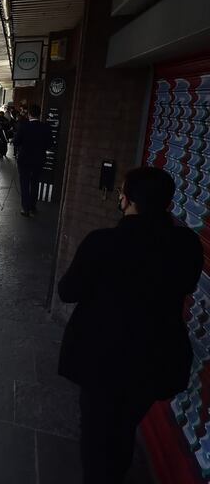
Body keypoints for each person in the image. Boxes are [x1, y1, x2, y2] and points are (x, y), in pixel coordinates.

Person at [58, 167, 203, 484]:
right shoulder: (187, 245)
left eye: (122, 191)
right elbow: (188, 285)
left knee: (97, 434)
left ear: (129, 199)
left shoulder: (103, 242)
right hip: (157, 356)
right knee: (124, 427)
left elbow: (68, 291)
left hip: (102, 357)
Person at [15, 105, 51, 216]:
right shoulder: (46, 127)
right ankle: (32, 206)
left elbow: (16, 142)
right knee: (35, 183)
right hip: (39, 159)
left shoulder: (23, 126)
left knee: (24, 183)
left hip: (24, 159)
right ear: (39, 114)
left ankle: (25, 208)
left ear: (29, 114)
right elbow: (50, 144)